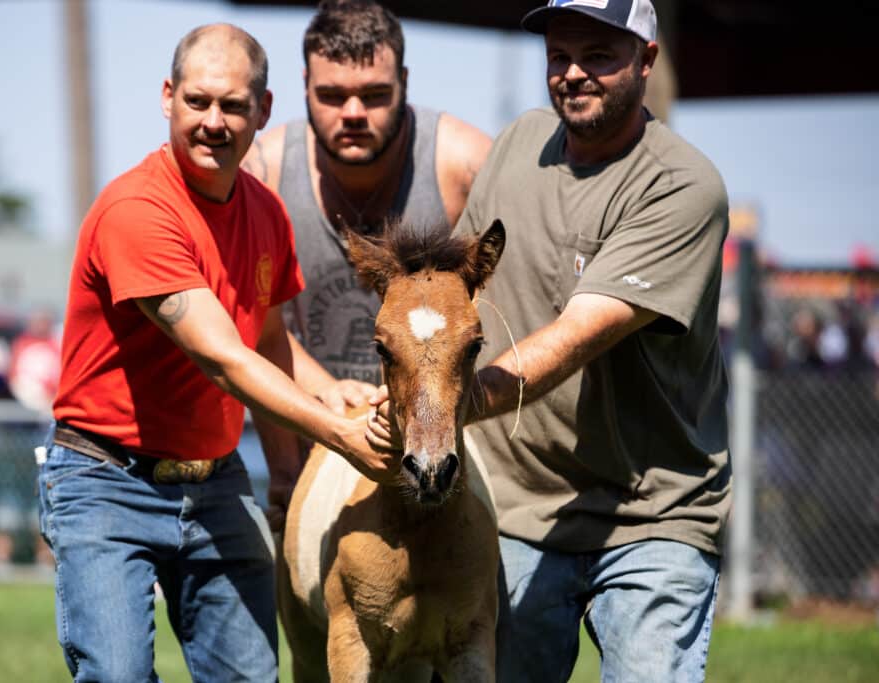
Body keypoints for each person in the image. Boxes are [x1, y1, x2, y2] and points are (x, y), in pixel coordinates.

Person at [367, 1, 731, 680]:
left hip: (651, 517)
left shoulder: (683, 186)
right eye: (559, 55)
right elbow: (452, 295)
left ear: (646, 61)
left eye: (599, 55)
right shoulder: (517, 144)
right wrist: (407, 384)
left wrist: (451, 404)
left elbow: (577, 334)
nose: (572, 73)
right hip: (517, 508)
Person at [41, 24, 398, 682]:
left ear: (262, 110)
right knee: (117, 674)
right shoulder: (137, 209)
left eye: (233, 105)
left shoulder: (264, 211)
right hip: (104, 481)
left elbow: (262, 334)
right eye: (198, 101)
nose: (213, 121)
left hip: (215, 481)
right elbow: (223, 357)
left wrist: (327, 396)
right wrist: (339, 431)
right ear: (168, 97)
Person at [242, 0, 491, 411]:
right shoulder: (262, 175)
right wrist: (291, 466)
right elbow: (250, 326)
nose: (353, 113)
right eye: (332, 96)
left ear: (405, 83)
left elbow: (508, 313)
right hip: (309, 438)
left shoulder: (466, 167)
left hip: (433, 445)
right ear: (305, 85)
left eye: (374, 95)